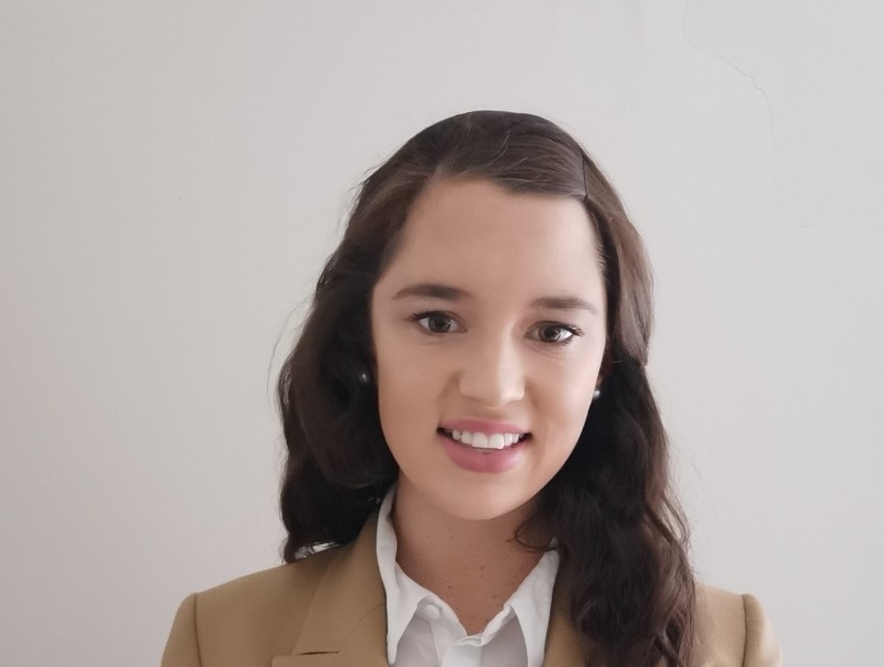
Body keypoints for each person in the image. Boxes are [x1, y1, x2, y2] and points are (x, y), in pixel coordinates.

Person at [161, 110, 781, 667]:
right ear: (362, 339)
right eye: (437, 321)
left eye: (552, 331)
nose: (492, 387)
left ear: (606, 364)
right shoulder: (218, 641)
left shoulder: (728, 647)